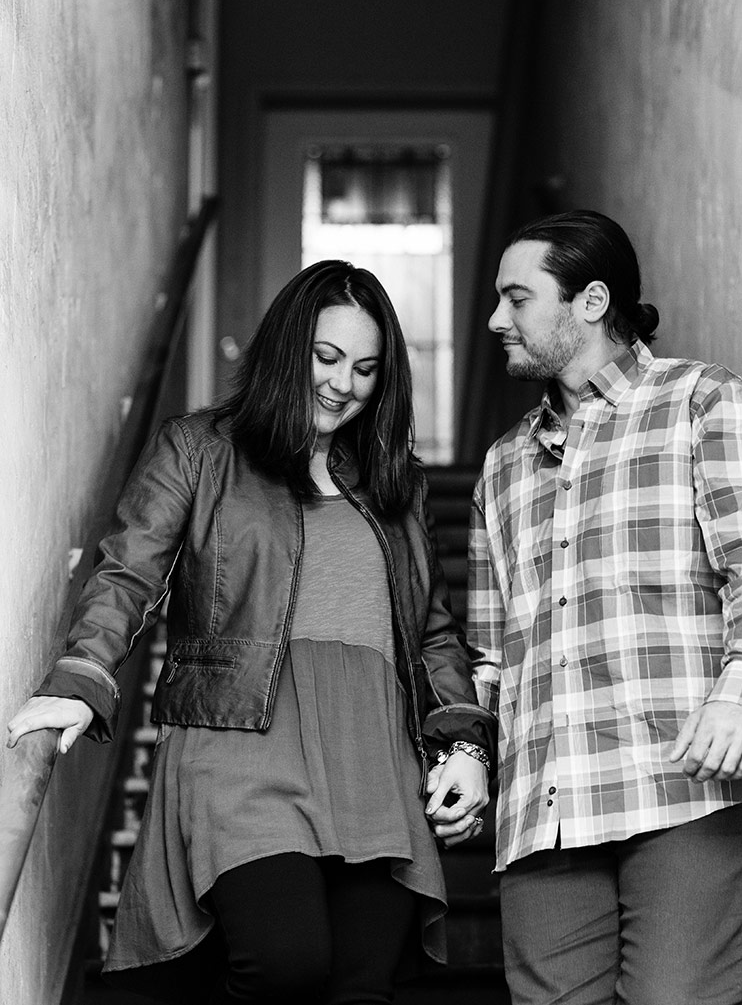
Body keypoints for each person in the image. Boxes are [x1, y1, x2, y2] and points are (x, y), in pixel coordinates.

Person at [7, 260, 495, 1005]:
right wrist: (82, 677)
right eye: (326, 357)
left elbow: (432, 633)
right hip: (239, 738)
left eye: (366, 369)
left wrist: (463, 744)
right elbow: (128, 574)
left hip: (374, 752)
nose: (343, 383)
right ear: (289, 347)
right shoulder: (199, 448)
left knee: (362, 985)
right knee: (284, 960)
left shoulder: (396, 481)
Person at [462, 210, 742, 1004]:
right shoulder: (502, 465)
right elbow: (489, 652)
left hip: (680, 786)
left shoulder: (701, 402)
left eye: (517, 298)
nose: (496, 319)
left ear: (590, 301)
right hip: (542, 809)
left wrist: (737, 689)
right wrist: (470, 750)